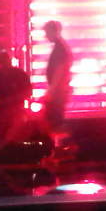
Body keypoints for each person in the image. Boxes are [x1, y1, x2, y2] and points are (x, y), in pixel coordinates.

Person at [0, 50, 33, 151]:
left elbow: (29, 92)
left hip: (18, 108)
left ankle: (3, 145)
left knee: (19, 121)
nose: (5, 63)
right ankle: (6, 143)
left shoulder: (20, 74)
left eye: (6, 61)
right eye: (2, 61)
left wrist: (14, 99)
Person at [43, 20, 74, 154]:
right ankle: (60, 150)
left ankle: (61, 150)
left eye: (47, 32)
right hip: (59, 90)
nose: (46, 36)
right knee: (55, 121)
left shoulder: (60, 49)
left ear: (54, 31)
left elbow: (59, 72)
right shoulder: (60, 47)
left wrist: (51, 91)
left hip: (58, 92)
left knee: (55, 121)